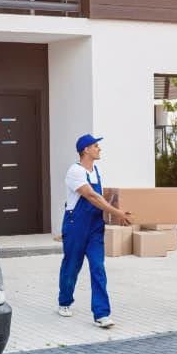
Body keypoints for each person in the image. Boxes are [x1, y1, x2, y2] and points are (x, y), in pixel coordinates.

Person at [58, 134, 131, 329]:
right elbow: (91, 196)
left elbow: (101, 196)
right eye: (96, 146)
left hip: (95, 227)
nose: (99, 149)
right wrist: (116, 212)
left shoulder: (96, 170)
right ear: (85, 150)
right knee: (72, 265)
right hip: (76, 225)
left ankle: (102, 313)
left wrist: (114, 207)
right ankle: (64, 301)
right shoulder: (75, 171)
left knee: (98, 266)